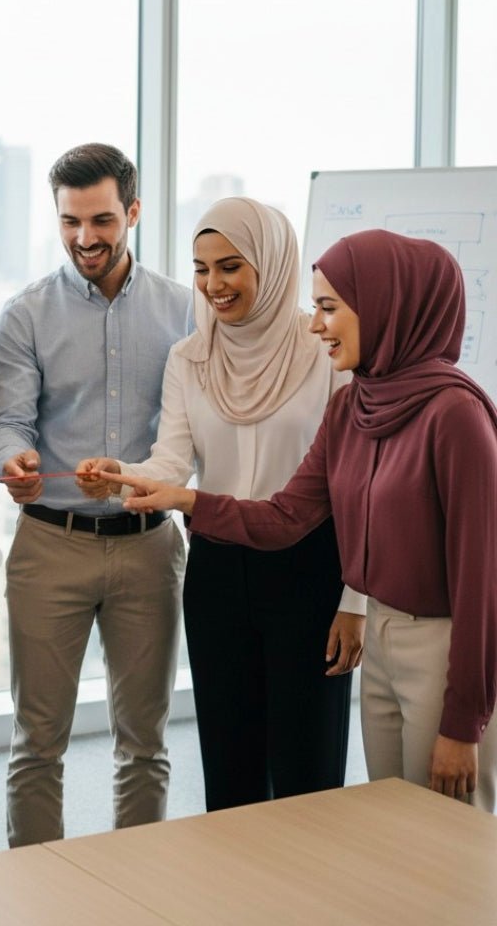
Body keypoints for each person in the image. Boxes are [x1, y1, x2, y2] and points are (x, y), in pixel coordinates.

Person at [114, 229, 497, 809]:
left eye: (329, 308)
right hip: (386, 647)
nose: (316, 325)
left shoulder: (457, 417)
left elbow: (483, 586)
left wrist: (465, 721)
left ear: (388, 308)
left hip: (445, 646)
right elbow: (286, 516)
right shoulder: (354, 405)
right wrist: (181, 499)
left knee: (452, 840)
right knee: (397, 826)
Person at [76, 197, 365, 812]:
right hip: (217, 570)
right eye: (201, 269)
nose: (213, 285)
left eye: (230, 266)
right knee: (230, 773)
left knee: (307, 778)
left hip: (310, 569)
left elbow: (355, 488)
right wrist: (119, 475)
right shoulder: (190, 356)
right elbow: (170, 463)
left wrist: (355, 602)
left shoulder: (324, 349)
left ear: (270, 262)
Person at [0, 143, 191, 846]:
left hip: (149, 546)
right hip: (50, 543)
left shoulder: (185, 312)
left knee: (145, 740)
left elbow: (192, 431)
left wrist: (150, 477)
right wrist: (13, 458)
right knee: (37, 741)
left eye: (101, 220)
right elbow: (9, 419)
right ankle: (39, 891)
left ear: (133, 212)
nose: (85, 239)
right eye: (70, 222)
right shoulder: (24, 315)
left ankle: (135, 894)